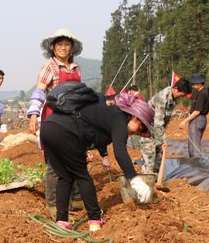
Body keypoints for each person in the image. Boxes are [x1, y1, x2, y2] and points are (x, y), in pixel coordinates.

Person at [40, 92, 155, 232]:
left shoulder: (109, 114)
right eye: (141, 128)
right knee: (82, 176)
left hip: (48, 127)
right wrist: (135, 179)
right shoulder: (120, 119)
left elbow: (90, 131)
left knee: (65, 177)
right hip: (65, 130)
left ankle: (61, 220)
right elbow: (120, 152)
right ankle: (95, 220)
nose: (138, 133)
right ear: (135, 117)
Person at [26, 28, 84, 215]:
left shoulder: (76, 68)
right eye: (59, 44)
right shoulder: (49, 67)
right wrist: (33, 115)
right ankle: (52, 202)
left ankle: (75, 198)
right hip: (54, 119)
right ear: (52, 47)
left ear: (72, 48)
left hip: (73, 119)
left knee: (75, 158)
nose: (63, 48)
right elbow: (40, 91)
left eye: (66, 44)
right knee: (54, 163)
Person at [140, 78, 192, 173]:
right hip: (147, 128)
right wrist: (162, 140)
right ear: (175, 88)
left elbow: (164, 120)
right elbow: (158, 122)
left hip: (157, 128)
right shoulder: (162, 97)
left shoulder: (173, 98)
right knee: (149, 153)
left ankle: (156, 178)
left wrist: (162, 138)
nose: (182, 97)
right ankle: (147, 178)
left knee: (160, 153)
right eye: (182, 94)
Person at [177, 73, 209, 157]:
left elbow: (197, 111)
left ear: (200, 83)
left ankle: (196, 166)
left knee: (194, 145)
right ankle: (194, 164)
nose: (192, 86)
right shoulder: (206, 92)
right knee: (195, 142)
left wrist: (184, 121)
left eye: (194, 84)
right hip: (202, 119)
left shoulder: (202, 94)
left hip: (197, 119)